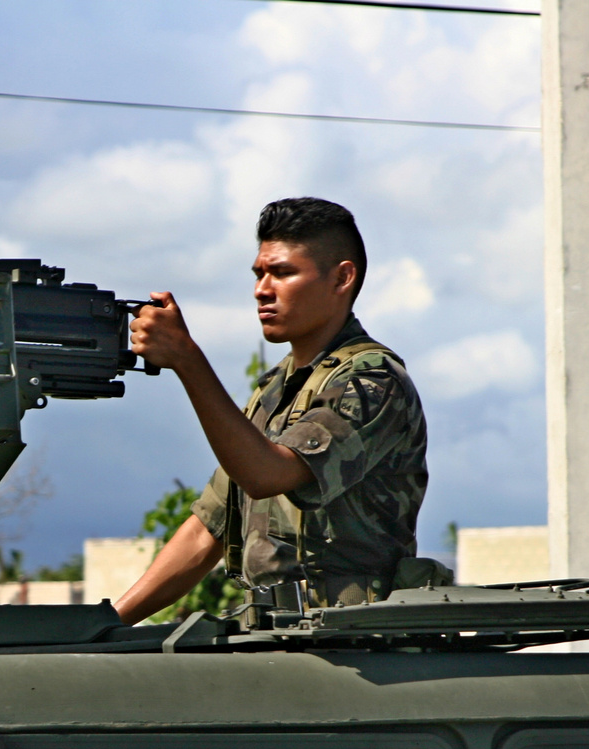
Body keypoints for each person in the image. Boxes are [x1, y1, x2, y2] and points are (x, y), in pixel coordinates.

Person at [114, 197, 432, 624]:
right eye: (259, 273)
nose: (262, 289)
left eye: (282, 272)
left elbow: (268, 474)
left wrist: (187, 360)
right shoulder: (273, 390)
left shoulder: (371, 381)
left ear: (342, 278)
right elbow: (206, 529)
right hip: (273, 633)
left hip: (355, 639)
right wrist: (107, 622)